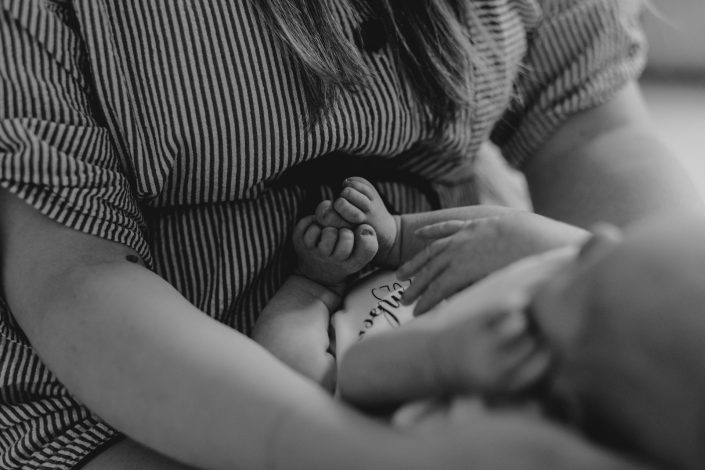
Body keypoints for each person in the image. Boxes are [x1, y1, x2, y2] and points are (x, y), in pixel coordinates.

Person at [0, 0, 700, 468]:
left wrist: (645, 329)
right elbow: (75, 279)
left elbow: (590, 132)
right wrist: (354, 452)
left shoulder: (560, 288)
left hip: (470, 317)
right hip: (127, 388)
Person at [338, 212, 705, 470]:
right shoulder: (572, 269)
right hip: (396, 274)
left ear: (559, 389)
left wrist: (439, 359)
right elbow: (497, 230)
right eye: (626, 240)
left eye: (596, 279)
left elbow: (351, 376)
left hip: (346, 351)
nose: (598, 238)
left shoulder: (497, 424)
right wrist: (399, 234)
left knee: (296, 360)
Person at [251, 176, 584, 391]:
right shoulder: (575, 287)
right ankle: (397, 237)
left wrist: (311, 286)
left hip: (355, 370)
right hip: (444, 266)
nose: (609, 239)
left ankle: (311, 287)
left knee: (290, 381)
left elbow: (281, 385)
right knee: (518, 241)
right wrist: (399, 236)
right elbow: (505, 236)